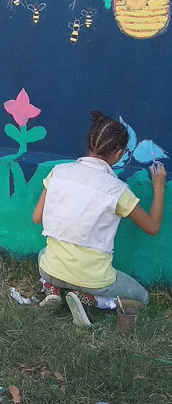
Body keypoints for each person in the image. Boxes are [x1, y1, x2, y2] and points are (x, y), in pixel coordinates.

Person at [33, 110, 165, 326]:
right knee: (142, 298)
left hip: (50, 270)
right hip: (94, 280)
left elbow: (37, 217)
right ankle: (92, 300)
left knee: (43, 254)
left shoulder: (58, 172)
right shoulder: (117, 190)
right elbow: (152, 227)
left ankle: (51, 288)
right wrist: (159, 188)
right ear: (120, 153)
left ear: (90, 143)